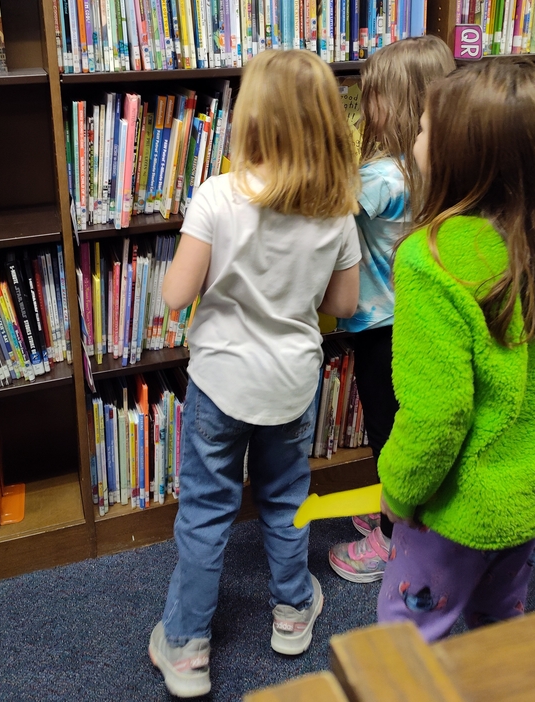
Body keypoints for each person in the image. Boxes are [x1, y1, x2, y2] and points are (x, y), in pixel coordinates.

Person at [149, 50, 361, 698]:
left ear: (251, 117)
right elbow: (344, 305)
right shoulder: (337, 208)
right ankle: (293, 612)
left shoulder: (218, 196)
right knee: (286, 501)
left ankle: (187, 646)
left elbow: (174, 296)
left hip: (221, 384)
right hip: (292, 385)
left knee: (207, 512)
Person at [376, 60, 535, 641]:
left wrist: (399, 491)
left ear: (459, 153)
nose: (415, 138)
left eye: (423, 129)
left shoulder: (430, 260)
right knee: (500, 627)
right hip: (534, 493)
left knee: (404, 640)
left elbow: (437, 412)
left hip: (456, 506)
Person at [328, 36, 455, 585]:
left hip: (380, 329)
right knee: (406, 426)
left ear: (401, 103)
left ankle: (391, 537)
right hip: (419, 320)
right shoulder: (440, 168)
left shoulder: (381, 179)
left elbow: (324, 210)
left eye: (372, 95)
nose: (365, 105)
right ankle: (401, 511)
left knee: (387, 432)